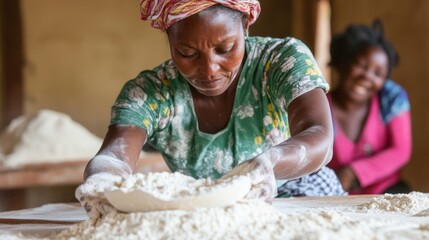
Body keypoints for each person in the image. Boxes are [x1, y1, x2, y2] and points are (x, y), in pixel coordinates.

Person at [76, 0, 345, 219]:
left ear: (246, 25)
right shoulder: (151, 92)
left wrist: (270, 163)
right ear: (168, 37)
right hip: (210, 210)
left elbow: (319, 134)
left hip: (302, 194)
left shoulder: (281, 61)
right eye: (187, 53)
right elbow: (114, 157)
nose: (209, 70)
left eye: (225, 49)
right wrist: (103, 182)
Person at [327, 19, 412, 194]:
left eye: (378, 73)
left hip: (386, 192)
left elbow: (401, 150)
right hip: (334, 196)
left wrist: (352, 173)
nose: (367, 76)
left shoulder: (391, 98)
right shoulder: (318, 104)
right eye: (360, 65)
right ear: (343, 63)